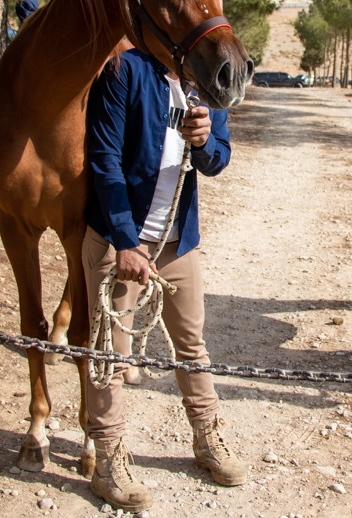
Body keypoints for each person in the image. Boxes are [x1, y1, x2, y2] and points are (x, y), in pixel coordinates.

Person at [83, 46, 246, 512]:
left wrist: (204, 142)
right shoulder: (124, 71)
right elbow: (103, 159)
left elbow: (218, 160)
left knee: (192, 345)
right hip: (120, 243)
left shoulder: (208, 83)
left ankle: (207, 439)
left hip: (177, 242)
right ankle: (109, 461)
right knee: (109, 355)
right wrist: (125, 240)